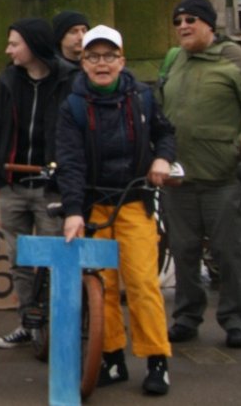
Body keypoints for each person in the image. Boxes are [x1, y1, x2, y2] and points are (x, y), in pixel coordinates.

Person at [56, 25, 176, 395]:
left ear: (122, 61)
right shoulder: (72, 106)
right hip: (94, 206)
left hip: (134, 201)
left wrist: (162, 159)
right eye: (93, 57)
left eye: (109, 56)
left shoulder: (142, 97)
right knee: (103, 286)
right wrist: (74, 210)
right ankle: (111, 359)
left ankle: (157, 360)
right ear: (83, 63)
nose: (102, 64)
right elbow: (70, 161)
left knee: (142, 283)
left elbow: (166, 133)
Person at [159, 0, 241, 348]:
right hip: (179, 179)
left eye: (191, 19)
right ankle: (187, 316)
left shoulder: (236, 60)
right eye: (178, 21)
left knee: (229, 251)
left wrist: (238, 147)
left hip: (223, 177)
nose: (183, 26)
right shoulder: (175, 60)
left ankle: (236, 319)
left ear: (209, 24)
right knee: (183, 250)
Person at [0, 17, 76, 349]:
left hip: (52, 186)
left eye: (14, 43)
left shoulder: (69, 80)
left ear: (33, 45)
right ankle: (28, 321)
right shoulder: (6, 81)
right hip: (14, 183)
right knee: (19, 257)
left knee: (53, 258)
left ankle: (55, 324)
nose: (8, 50)